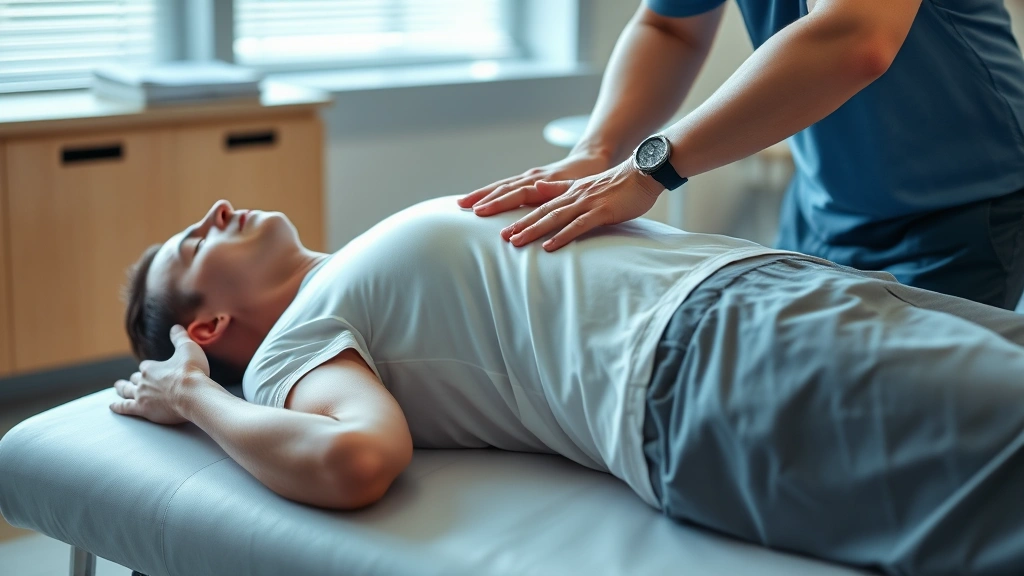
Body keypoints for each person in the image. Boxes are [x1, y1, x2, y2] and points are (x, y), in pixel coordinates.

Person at [115, 199, 1024, 576]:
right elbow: (355, 457)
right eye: (193, 247)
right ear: (206, 331)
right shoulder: (291, 352)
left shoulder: (347, 266)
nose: (216, 212)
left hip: (768, 290)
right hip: (702, 366)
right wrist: (194, 396)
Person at [458, 0, 1024, 310]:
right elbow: (669, 27)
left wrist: (648, 169)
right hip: (825, 198)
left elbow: (856, 36)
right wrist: (596, 150)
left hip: (964, 205)